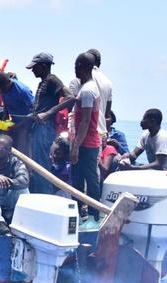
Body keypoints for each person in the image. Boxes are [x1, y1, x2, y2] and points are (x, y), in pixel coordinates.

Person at [26, 52, 75, 194]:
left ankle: (44, 198)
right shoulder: (43, 82)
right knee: (36, 166)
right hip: (37, 127)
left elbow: (70, 97)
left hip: (44, 128)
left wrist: (48, 113)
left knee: (41, 167)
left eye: (35, 67)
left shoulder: (52, 80)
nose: (32, 70)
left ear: (43, 66)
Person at [71, 52, 102, 221]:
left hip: (87, 143)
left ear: (81, 67)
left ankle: (93, 215)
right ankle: (76, 214)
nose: (74, 69)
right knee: (77, 179)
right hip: (84, 141)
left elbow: (85, 121)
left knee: (90, 180)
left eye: (76, 66)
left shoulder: (88, 90)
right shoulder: (87, 87)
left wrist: (75, 147)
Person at [70, 49, 113, 136]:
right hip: (100, 132)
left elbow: (71, 104)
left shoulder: (79, 78)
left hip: (82, 132)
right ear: (99, 63)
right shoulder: (108, 82)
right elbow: (107, 115)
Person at [0, 72, 35, 155]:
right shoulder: (3, 88)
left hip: (27, 124)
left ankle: (24, 167)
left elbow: (34, 110)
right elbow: (6, 104)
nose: (1, 92)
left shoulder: (22, 90)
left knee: (22, 149)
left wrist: (19, 125)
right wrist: (5, 118)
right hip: (14, 123)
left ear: (8, 83)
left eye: (2, 89)